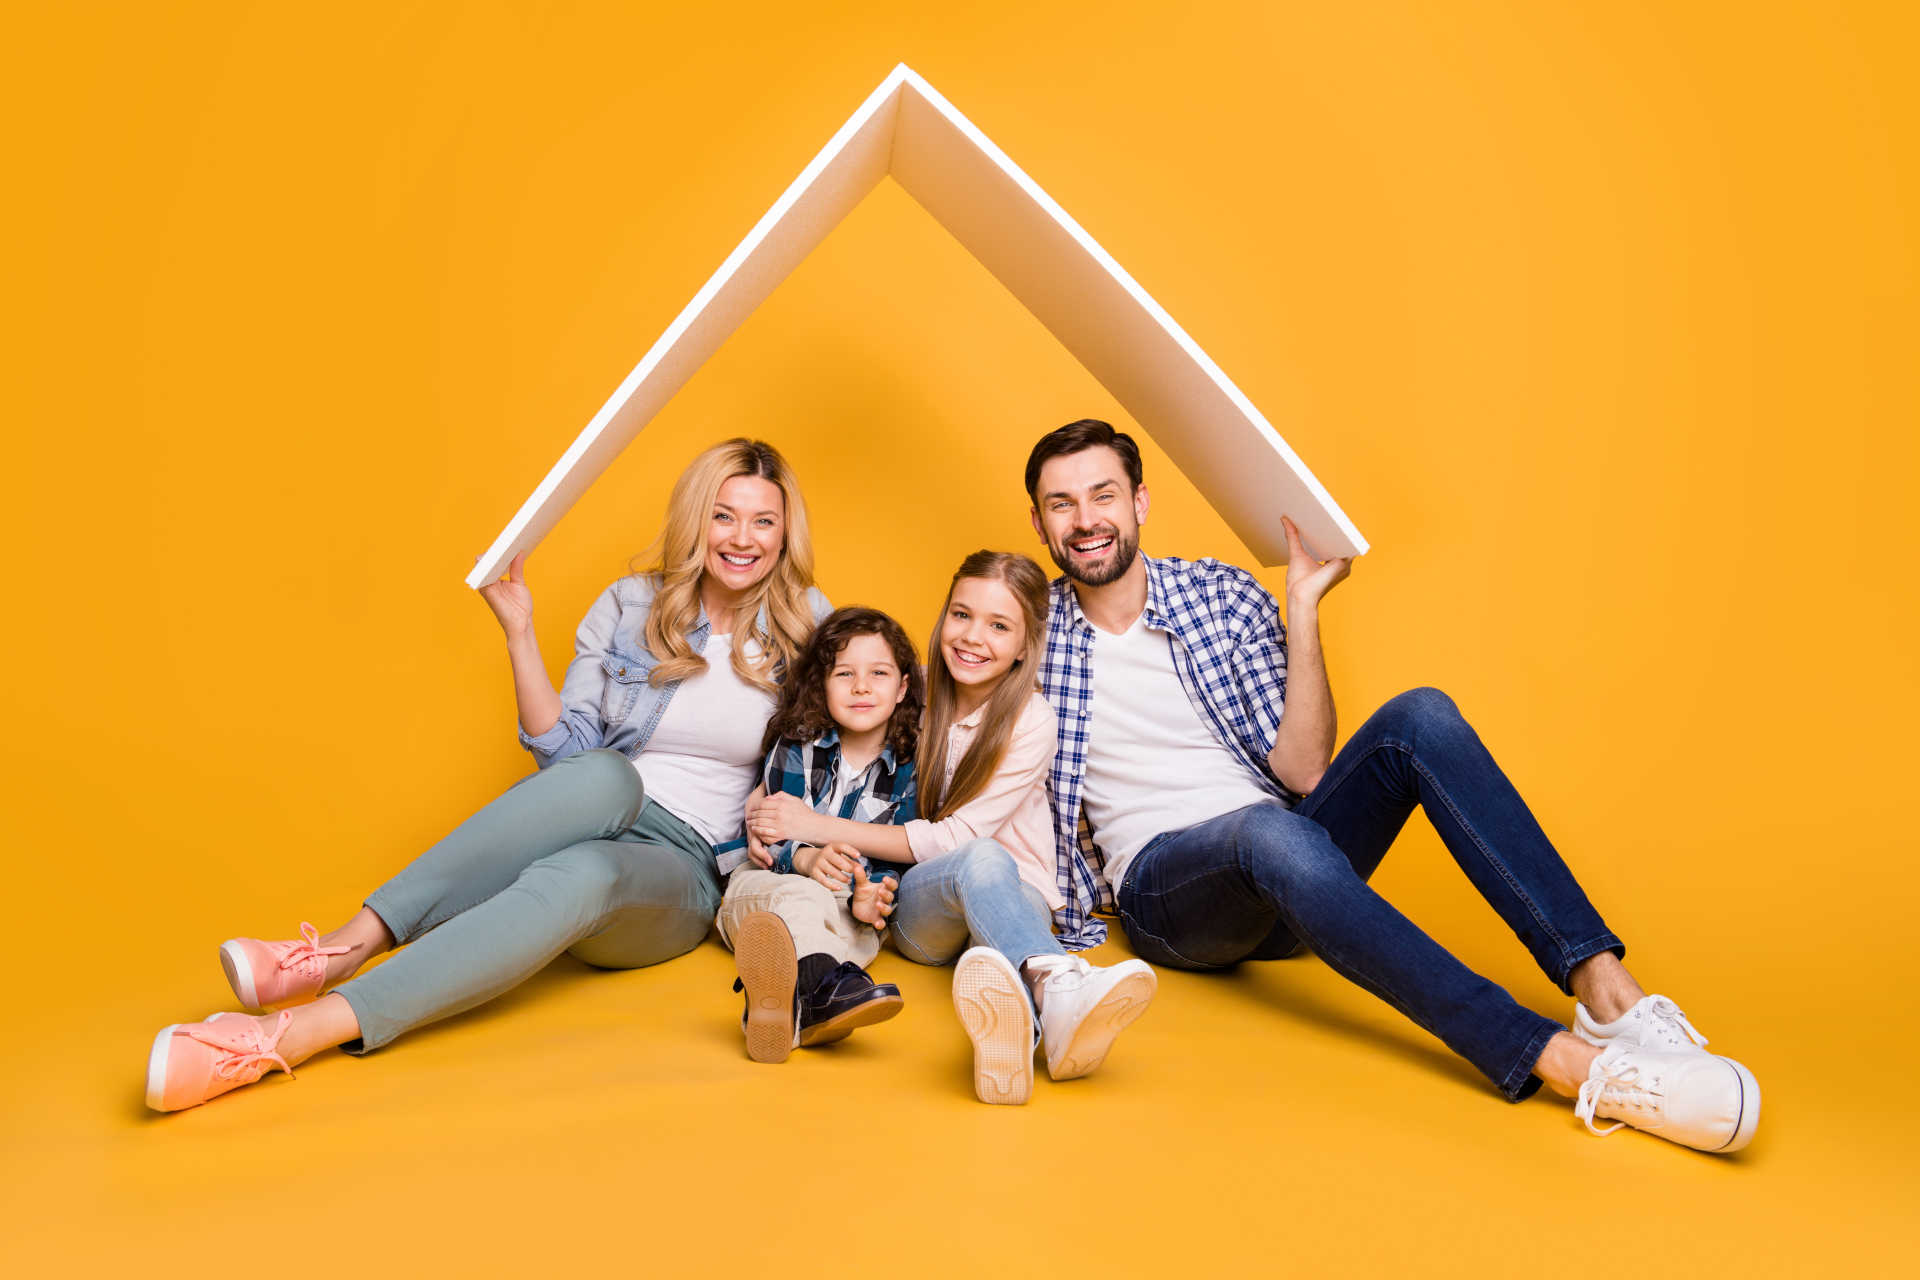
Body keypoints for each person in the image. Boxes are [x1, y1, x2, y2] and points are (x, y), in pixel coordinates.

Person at [1024, 418, 1760, 1152]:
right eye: (1063, 504)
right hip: (1174, 898)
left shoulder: (1220, 595)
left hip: (1298, 870)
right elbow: (956, 734)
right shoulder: (1025, 633)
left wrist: (1302, 609)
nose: (1087, 521)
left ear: (1141, 502)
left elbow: (1305, 773)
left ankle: (1607, 994)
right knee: (1264, 829)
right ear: (1039, 521)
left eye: (1103, 496)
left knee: (1422, 717)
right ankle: (1567, 1062)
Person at [145, 438, 830, 1111]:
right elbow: (567, 759)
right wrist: (520, 634)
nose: (743, 537)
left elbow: (846, 748)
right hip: (599, 810)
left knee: (593, 869)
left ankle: (285, 1037)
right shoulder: (629, 605)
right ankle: (340, 949)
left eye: (763, 520)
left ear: (782, 533)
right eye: (724, 515)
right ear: (696, 522)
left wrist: (787, 813)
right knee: (606, 782)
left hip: (686, 867)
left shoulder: (809, 624)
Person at [747, 550, 1155, 1105]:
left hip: (1016, 896)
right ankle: (1059, 986)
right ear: (944, 616)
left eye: (998, 626)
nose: (972, 637)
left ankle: (1026, 1035)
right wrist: (764, 808)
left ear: (1024, 646)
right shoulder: (907, 691)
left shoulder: (1030, 720)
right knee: (981, 859)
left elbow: (954, 836)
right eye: (961, 615)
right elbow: (825, 746)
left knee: (993, 889)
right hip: (926, 902)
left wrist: (813, 825)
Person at [714, 605, 923, 1064]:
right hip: (765, 888)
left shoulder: (910, 771)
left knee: (853, 934)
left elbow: (892, 862)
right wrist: (805, 859)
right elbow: (769, 830)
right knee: (801, 899)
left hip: (845, 912)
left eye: (879, 673)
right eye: (844, 673)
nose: (862, 686)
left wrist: (870, 899)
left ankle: (783, 1010)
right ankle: (824, 994)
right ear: (821, 684)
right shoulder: (796, 742)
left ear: (903, 687)